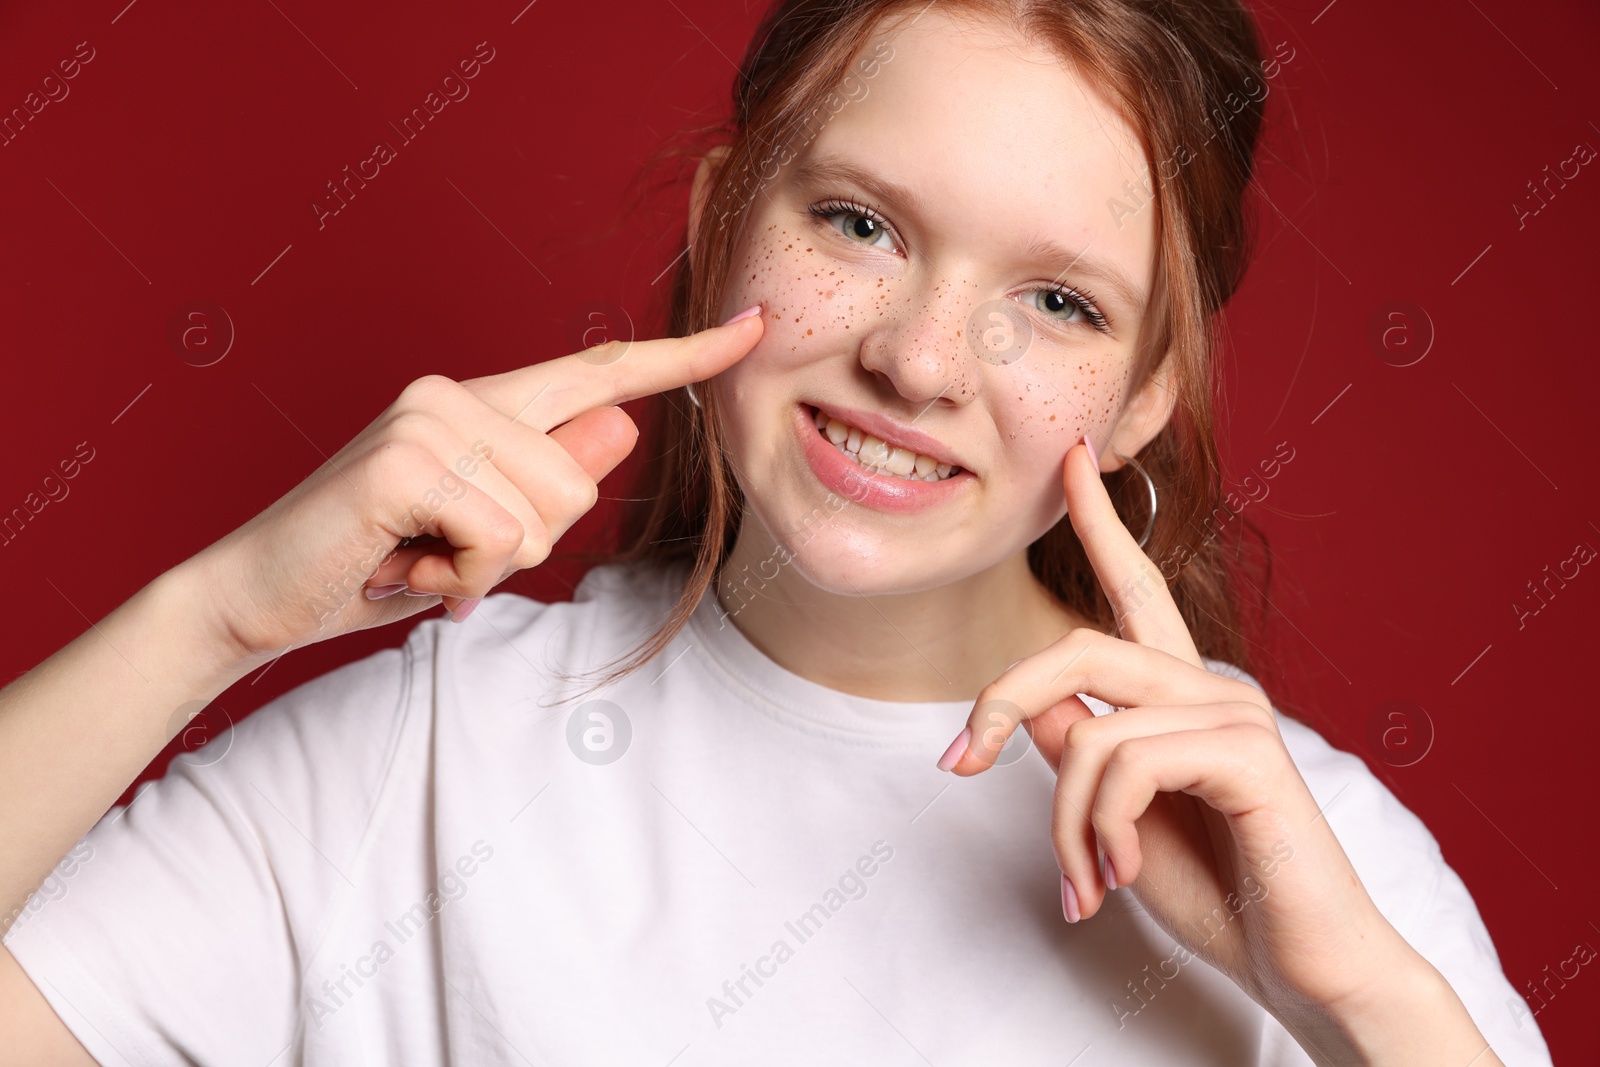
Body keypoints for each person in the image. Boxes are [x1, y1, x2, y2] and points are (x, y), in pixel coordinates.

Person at [0, 0, 1555, 1063]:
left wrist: (1347, 1000)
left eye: (1059, 303)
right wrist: (211, 616)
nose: (921, 361)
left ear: (1147, 394)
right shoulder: (418, 759)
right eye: (860, 225)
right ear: (719, 218)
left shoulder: (1314, 864)